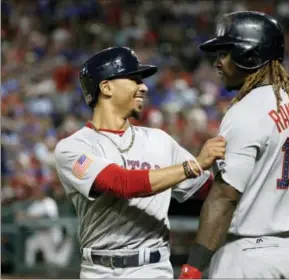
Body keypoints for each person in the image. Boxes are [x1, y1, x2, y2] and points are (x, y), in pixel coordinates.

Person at [179, 11, 289, 279]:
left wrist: (194, 266)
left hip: (251, 254)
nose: (217, 63)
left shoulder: (246, 110)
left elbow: (224, 198)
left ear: (248, 54)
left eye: (224, 53)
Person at [54, 47, 226, 278]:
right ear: (106, 87)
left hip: (153, 269)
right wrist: (193, 165)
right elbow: (122, 184)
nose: (143, 86)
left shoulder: (160, 140)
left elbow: (210, 192)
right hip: (100, 271)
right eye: (134, 79)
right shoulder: (73, 147)